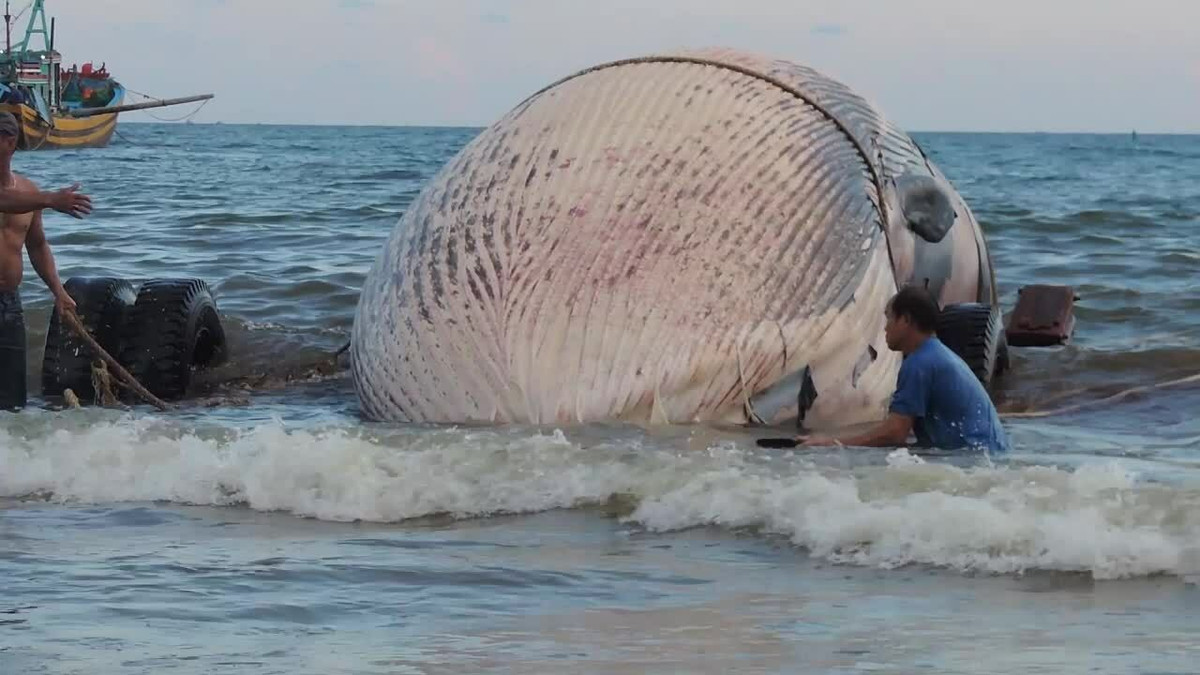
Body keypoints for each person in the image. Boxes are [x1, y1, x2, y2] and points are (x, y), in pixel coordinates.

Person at [797, 285, 1010, 453]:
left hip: (972, 460)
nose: (885, 327)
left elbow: (894, 434)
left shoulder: (919, 363)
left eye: (889, 317)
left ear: (906, 320)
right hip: (988, 455)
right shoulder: (937, 355)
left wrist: (831, 443)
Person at [0, 111, 95, 410]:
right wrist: (51, 199)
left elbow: (37, 245)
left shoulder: (29, 192)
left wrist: (58, 291)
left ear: (10, 142)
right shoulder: (36, 198)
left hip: (8, 303)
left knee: (11, 402)